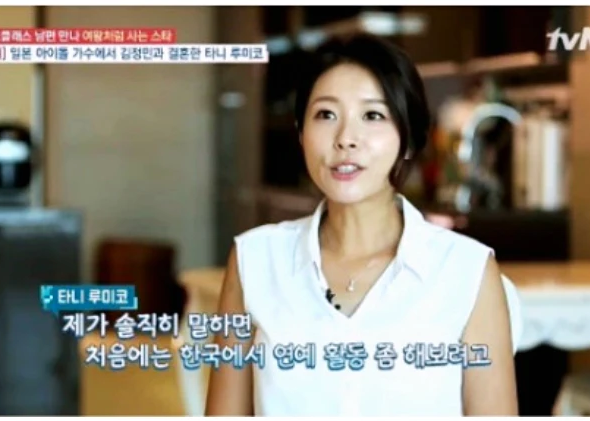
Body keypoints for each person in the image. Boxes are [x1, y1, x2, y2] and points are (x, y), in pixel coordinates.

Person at [204, 33, 522, 416]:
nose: (346, 139)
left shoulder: (466, 271)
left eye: (373, 116)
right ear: (302, 133)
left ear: (407, 140)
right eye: (326, 115)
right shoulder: (254, 260)